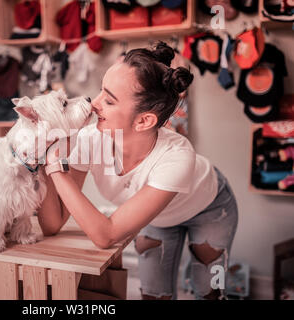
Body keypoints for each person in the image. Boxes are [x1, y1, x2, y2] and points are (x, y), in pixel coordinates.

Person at [37, 42, 238, 300]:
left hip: (209, 207)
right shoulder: (91, 140)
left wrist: (55, 167)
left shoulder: (177, 158)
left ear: (144, 120)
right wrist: (41, 160)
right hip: (157, 217)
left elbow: (105, 235)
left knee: (207, 291)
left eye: (109, 100)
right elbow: (53, 224)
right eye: (100, 92)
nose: (94, 104)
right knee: (154, 295)